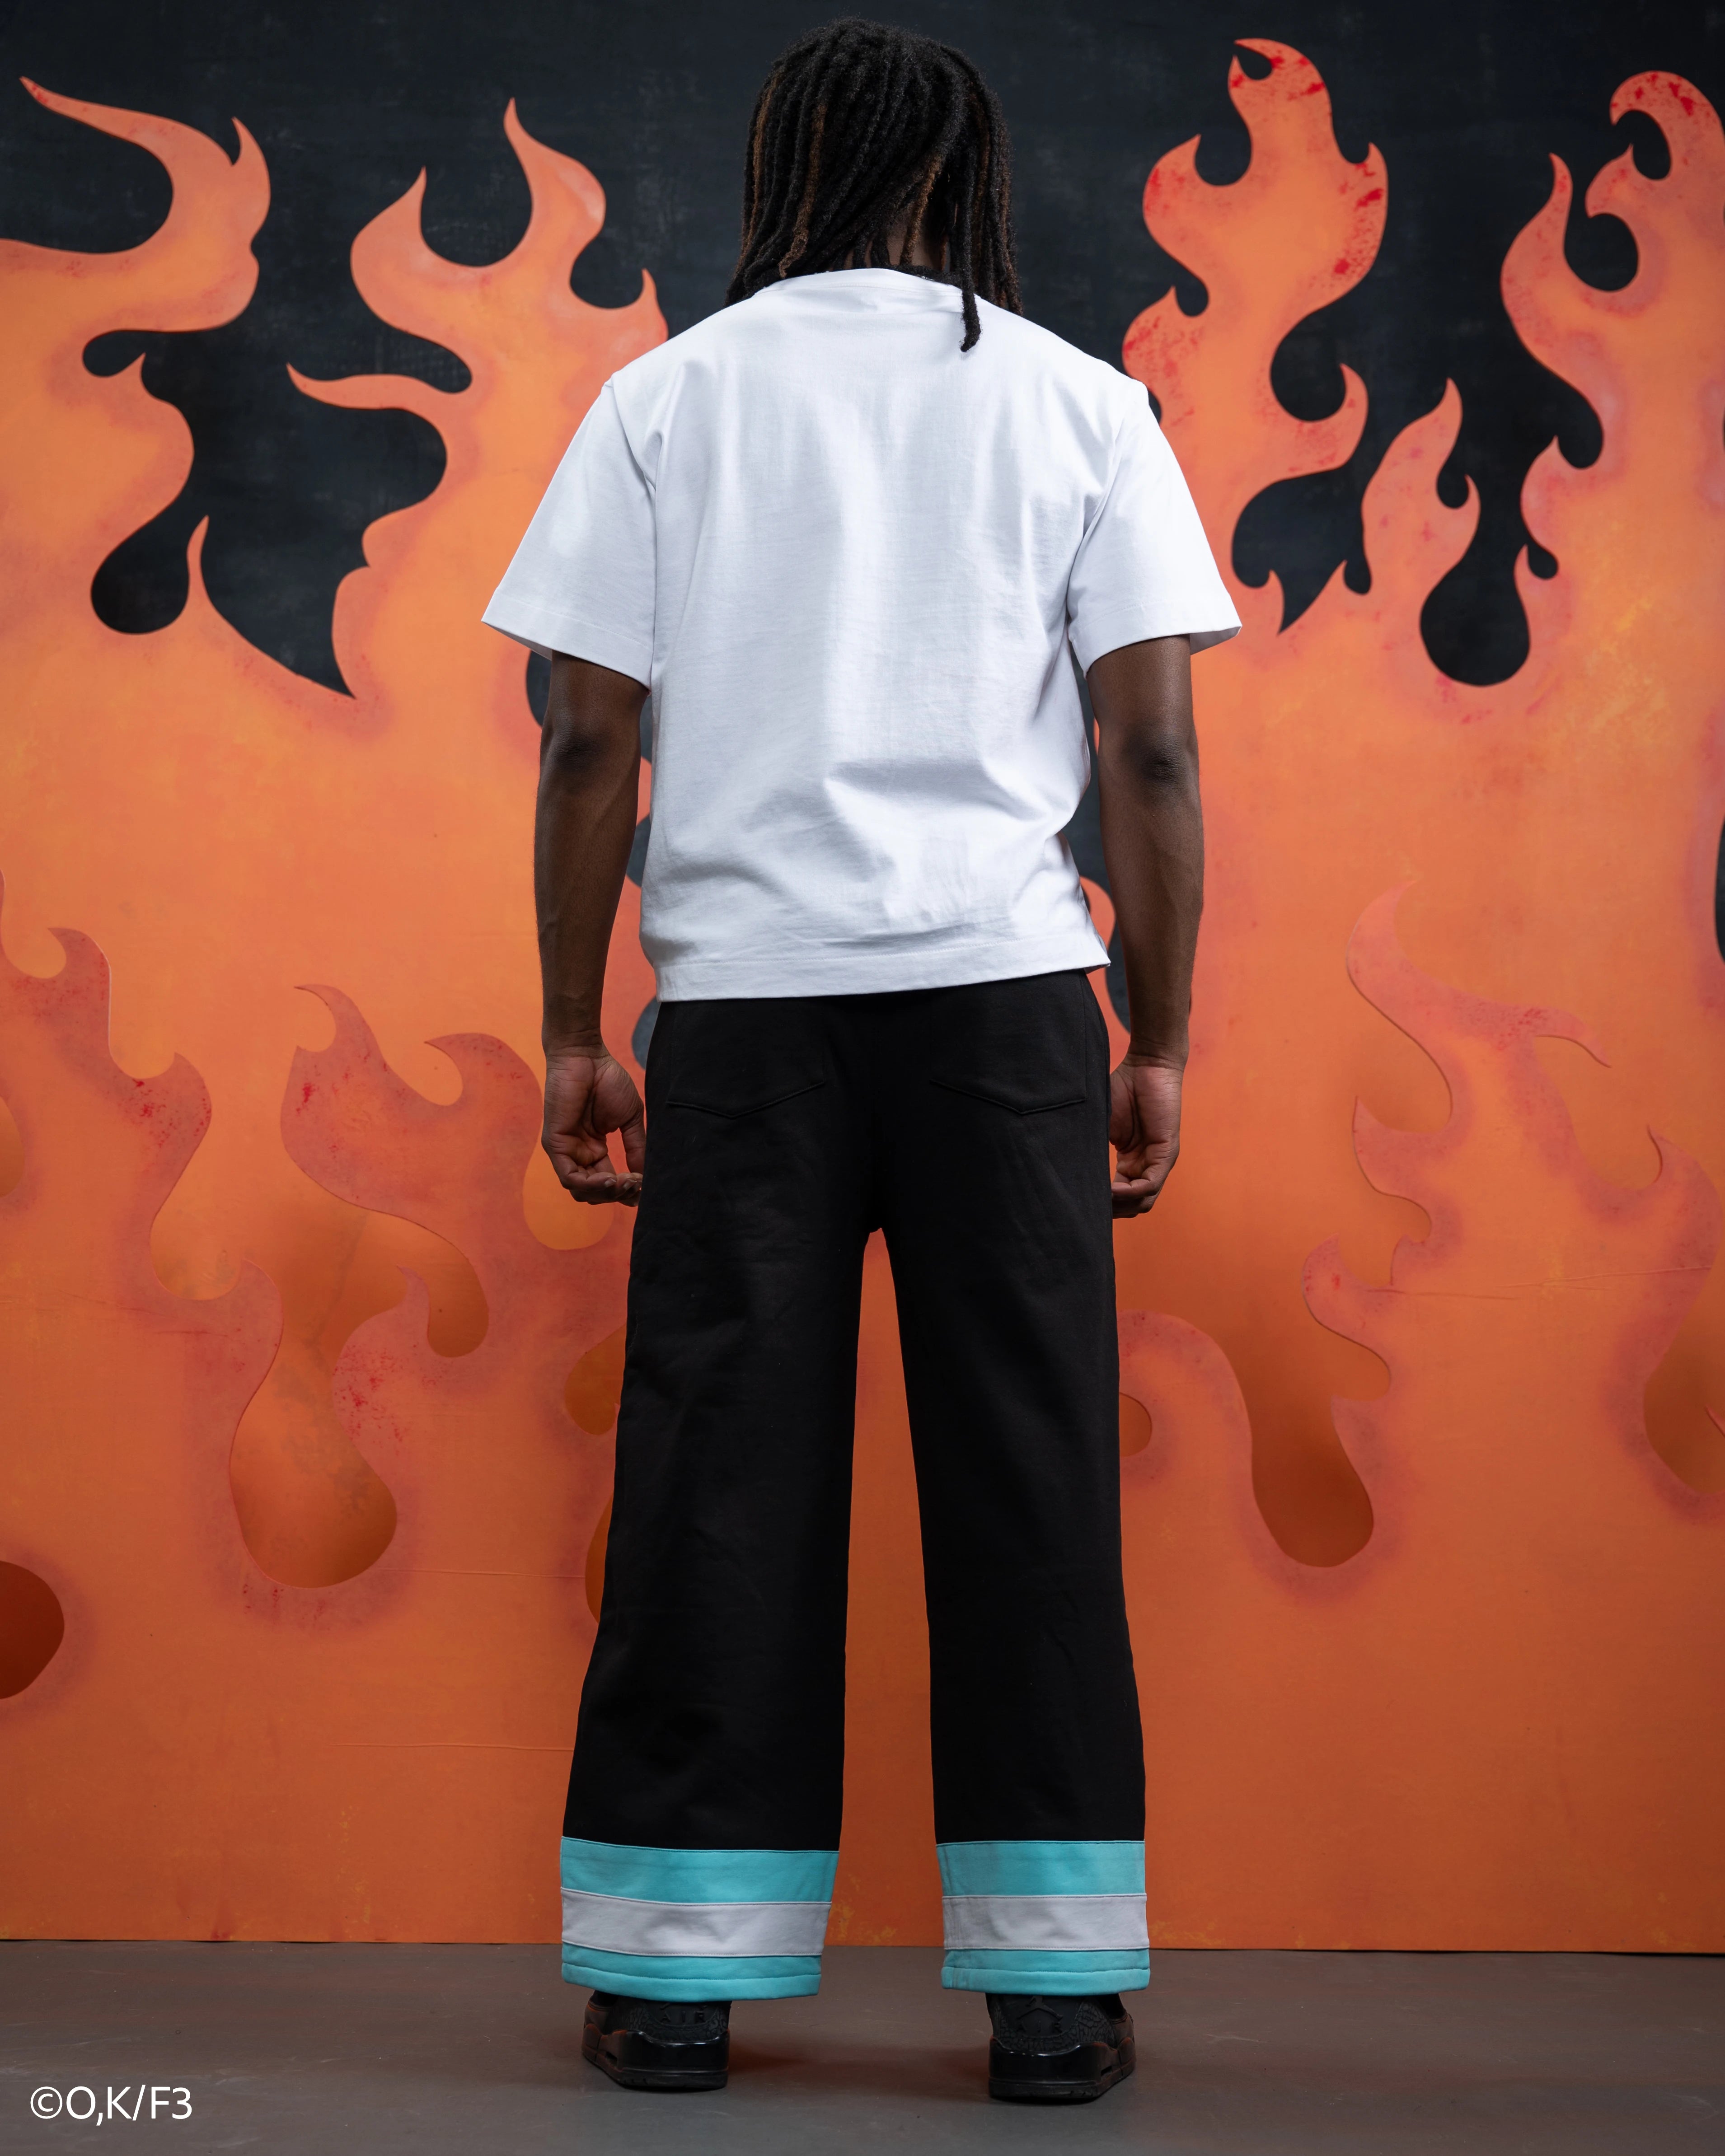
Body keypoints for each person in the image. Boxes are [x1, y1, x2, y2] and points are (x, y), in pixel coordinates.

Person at [483, 14, 1238, 2106]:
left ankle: (672, 1989)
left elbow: (587, 742)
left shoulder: (663, 398)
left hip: (745, 1014)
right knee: (1030, 1476)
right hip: (1007, 1005)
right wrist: (1160, 1036)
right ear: (967, 178)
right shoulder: (1083, 405)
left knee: (714, 1479)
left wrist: (572, 1024)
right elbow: (1150, 754)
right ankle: (1054, 2002)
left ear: (782, 167)